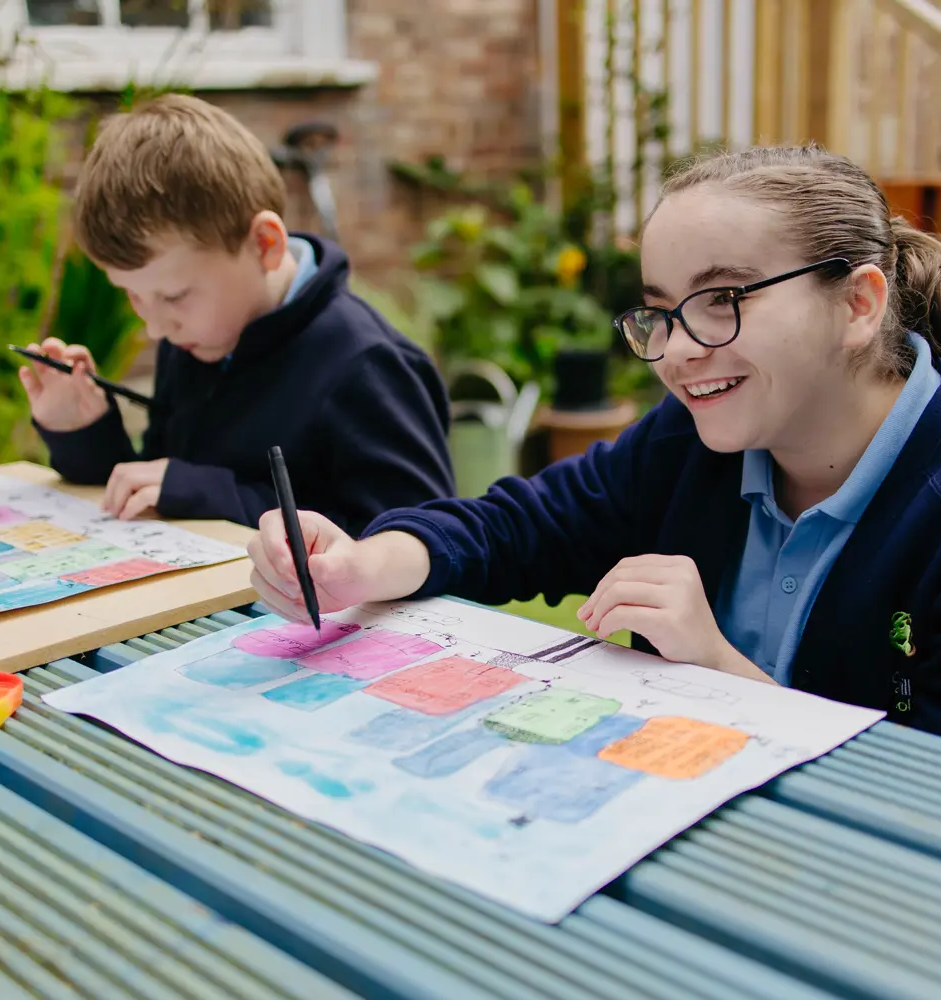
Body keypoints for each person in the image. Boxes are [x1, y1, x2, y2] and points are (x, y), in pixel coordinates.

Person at [249, 143, 941, 734]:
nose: (675, 351)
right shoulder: (686, 445)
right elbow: (520, 526)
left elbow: (917, 782)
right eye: (660, 311)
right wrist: (365, 566)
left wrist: (718, 671)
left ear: (857, 303)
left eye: (723, 299)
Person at [19, 94, 454, 532]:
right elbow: (156, 491)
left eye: (174, 296)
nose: (156, 327)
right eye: (133, 296)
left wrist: (206, 492)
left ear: (265, 244)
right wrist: (83, 432)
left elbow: (417, 543)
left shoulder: (368, 366)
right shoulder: (195, 338)